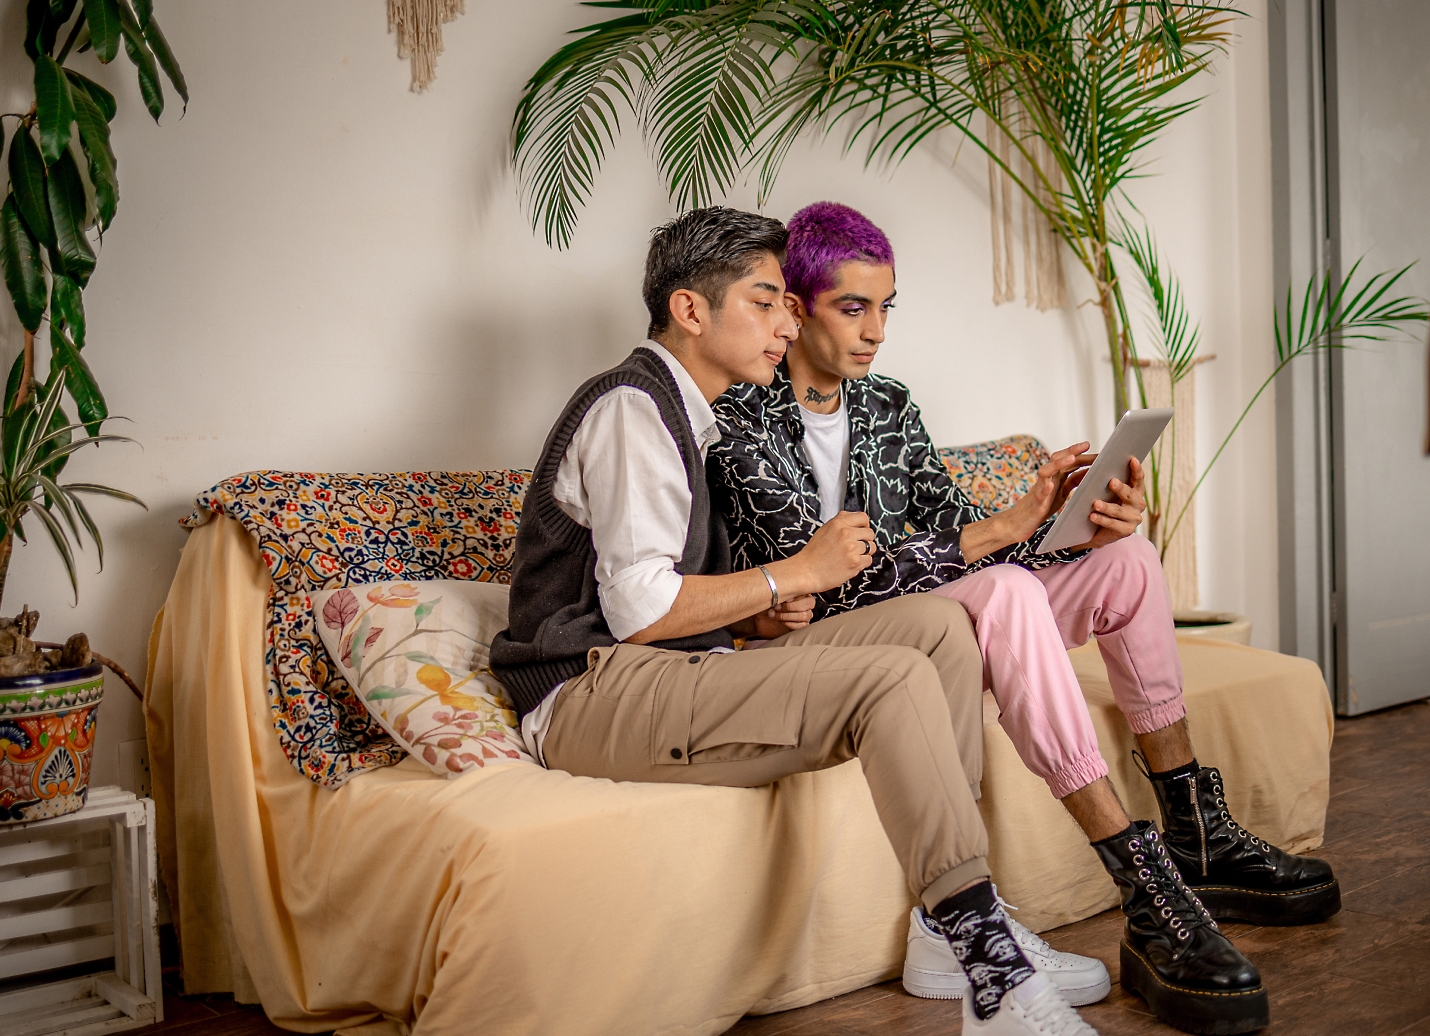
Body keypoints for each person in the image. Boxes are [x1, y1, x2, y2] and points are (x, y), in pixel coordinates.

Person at [707, 201, 1342, 1035]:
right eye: (852, 308)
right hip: (840, 639)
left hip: (932, 606)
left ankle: (1194, 828)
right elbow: (818, 587)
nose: (876, 333)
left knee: (1126, 561)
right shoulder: (736, 413)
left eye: (886, 307)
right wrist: (1000, 536)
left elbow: (955, 533)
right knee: (1004, 592)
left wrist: (1065, 518)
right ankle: (1141, 882)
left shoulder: (886, 405)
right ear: (794, 306)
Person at [490, 207, 1100, 1036]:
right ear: (690, 310)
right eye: (766, 301)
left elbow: (681, 597)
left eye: (787, 304)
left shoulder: (691, 415)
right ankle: (992, 970)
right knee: (891, 676)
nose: (788, 322)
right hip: (590, 692)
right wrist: (796, 571)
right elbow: (638, 614)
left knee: (934, 627)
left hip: (667, 670)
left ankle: (941, 934)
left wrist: (761, 615)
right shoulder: (633, 409)